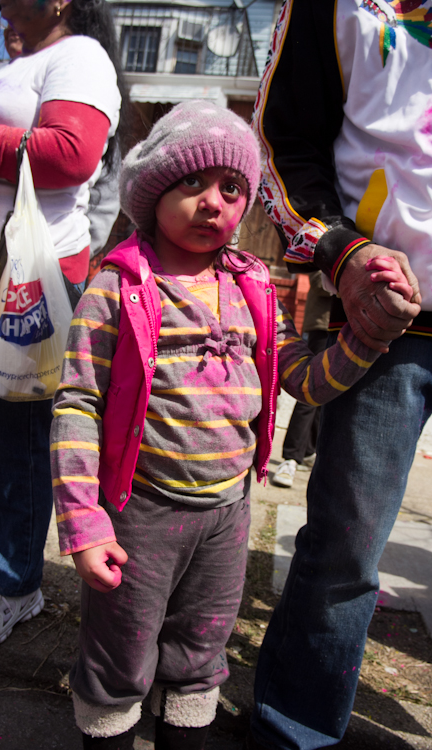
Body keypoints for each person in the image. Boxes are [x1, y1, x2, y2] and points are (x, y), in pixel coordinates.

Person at [49, 101, 412, 750]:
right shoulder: (119, 286)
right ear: (154, 191)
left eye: (232, 187)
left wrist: (369, 337)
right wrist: (83, 521)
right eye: (193, 182)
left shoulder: (256, 289)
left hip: (227, 516)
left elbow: (306, 380)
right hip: (142, 515)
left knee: (199, 655)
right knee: (119, 659)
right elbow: (77, 402)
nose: (214, 201)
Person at [248, 1, 428, 748]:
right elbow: (282, 142)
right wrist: (341, 253)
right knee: (346, 547)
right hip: (381, 322)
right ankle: (295, 729)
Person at [0, 0, 125, 653]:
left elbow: (70, 156)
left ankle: (14, 585)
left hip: (25, 274)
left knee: (13, 437)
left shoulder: (80, 58)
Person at [272, 271, 331, 488]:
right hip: (324, 325)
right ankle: (290, 458)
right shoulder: (331, 236)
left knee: (329, 394)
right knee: (310, 390)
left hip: (354, 325)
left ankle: (308, 452)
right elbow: (317, 280)